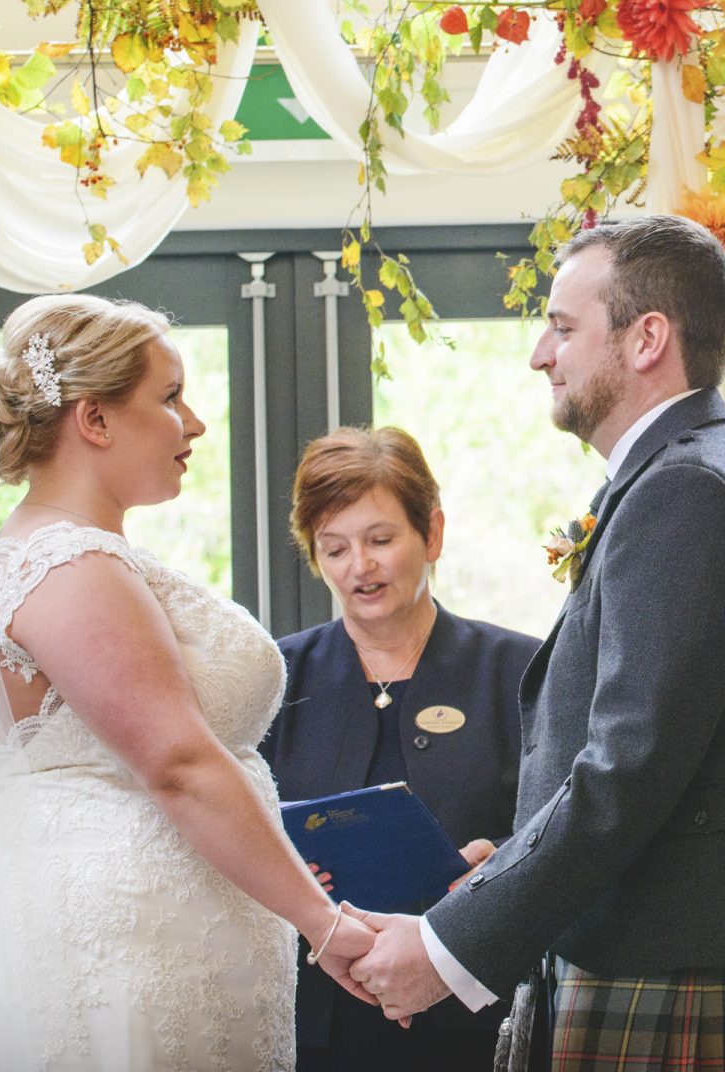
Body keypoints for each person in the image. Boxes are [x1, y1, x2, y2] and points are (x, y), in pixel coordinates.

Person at [344, 215, 725, 1070]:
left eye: (562, 327)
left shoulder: (687, 486)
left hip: (677, 960)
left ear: (647, 337)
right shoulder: (714, 463)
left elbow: (631, 765)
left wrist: (447, 947)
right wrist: (506, 868)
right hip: (679, 949)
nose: (542, 355)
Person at [0, 294, 376, 1070]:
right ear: (95, 421)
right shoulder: (70, 568)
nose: (196, 423)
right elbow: (177, 763)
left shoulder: (63, 557)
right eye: (170, 397)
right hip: (131, 953)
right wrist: (324, 923)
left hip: (161, 941)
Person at [261, 426, 541, 1071]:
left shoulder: (520, 670)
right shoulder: (276, 679)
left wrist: (496, 866)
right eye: (334, 549)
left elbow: (559, 830)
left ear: (432, 534)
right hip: (321, 1020)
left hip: (478, 1015)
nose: (360, 567)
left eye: (381, 540)